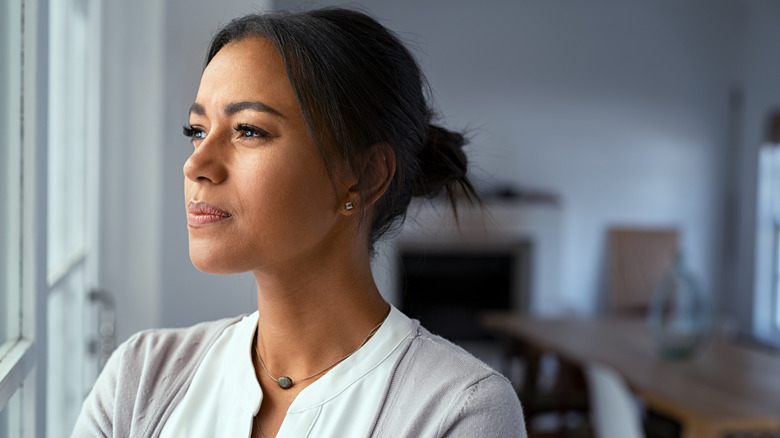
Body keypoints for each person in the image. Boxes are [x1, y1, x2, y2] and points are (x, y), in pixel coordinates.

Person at [73, 7, 526, 438]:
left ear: (363, 177)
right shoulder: (140, 376)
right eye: (197, 131)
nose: (196, 165)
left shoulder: (459, 410)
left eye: (248, 130)